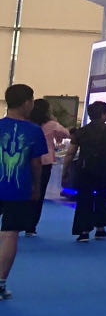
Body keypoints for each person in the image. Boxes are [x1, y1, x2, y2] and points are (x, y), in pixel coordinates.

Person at [0, 83, 53, 300]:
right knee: (10, 233)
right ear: (26, 103)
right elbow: (36, 164)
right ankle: (0, 283)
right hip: (19, 188)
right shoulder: (33, 131)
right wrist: (36, 187)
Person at [68, 101, 106, 242]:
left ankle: (84, 231)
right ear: (103, 114)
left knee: (84, 198)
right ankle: (100, 228)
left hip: (85, 169)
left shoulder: (81, 131)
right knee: (102, 196)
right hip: (105, 168)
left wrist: (65, 169)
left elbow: (71, 153)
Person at [22, 98, 69, 236]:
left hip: (27, 161)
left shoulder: (27, 123)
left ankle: (18, 221)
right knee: (39, 193)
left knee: (24, 192)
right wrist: (54, 120)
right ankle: (31, 227)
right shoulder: (51, 124)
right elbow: (66, 133)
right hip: (45, 162)